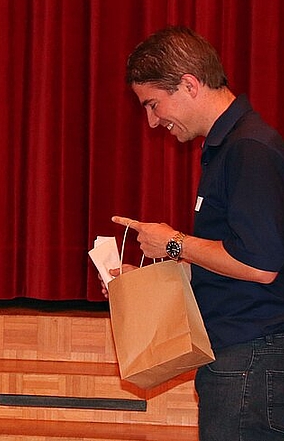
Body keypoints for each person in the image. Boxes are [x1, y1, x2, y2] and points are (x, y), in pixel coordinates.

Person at [102, 26, 284, 441]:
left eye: (153, 104)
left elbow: (260, 265)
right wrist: (152, 278)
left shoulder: (248, 148)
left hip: (250, 357)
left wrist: (174, 242)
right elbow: (230, 257)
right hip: (241, 356)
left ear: (188, 84)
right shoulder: (230, 146)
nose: (151, 121)